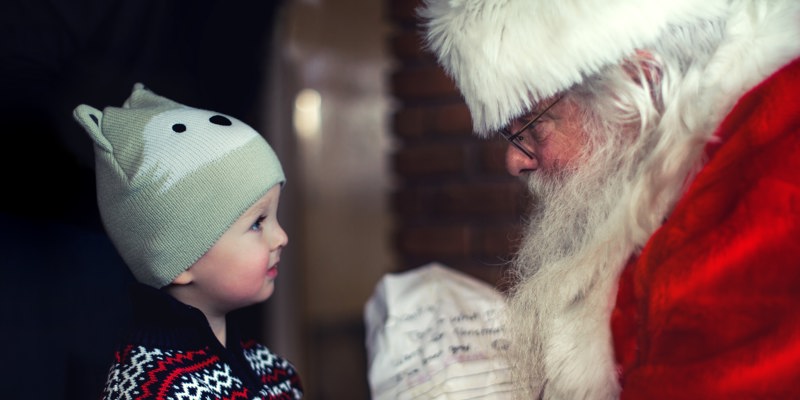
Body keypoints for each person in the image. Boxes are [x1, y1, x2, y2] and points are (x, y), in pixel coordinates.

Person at [417, 0, 800, 398]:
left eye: (531, 126)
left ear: (640, 83)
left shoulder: (772, 175)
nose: (515, 160)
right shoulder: (678, 181)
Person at [72, 83, 303, 399]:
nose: (281, 237)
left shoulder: (273, 371)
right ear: (179, 260)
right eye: (257, 223)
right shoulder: (149, 390)